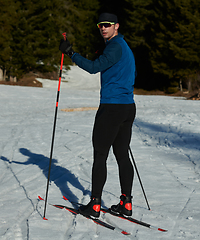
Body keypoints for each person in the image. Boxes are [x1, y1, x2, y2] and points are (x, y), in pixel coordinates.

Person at [59, 12, 136, 218]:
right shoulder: (123, 46)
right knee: (122, 155)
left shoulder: (115, 46)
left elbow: (94, 68)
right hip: (127, 107)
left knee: (100, 155)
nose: (103, 28)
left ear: (116, 26)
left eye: (108, 25)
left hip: (112, 108)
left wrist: (71, 53)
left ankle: (94, 204)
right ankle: (126, 203)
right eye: (100, 25)